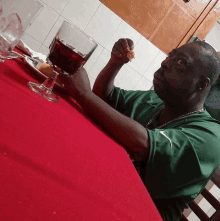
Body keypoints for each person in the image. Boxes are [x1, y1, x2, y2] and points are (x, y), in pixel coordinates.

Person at [61, 39, 220, 221]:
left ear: (200, 84)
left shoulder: (211, 136)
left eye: (181, 62)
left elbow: (143, 144)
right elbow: (105, 97)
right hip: (101, 186)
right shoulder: (157, 100)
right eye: (171, 55)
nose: (165, 62)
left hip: (134, 213)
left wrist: (83, 94)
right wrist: (115, 63)